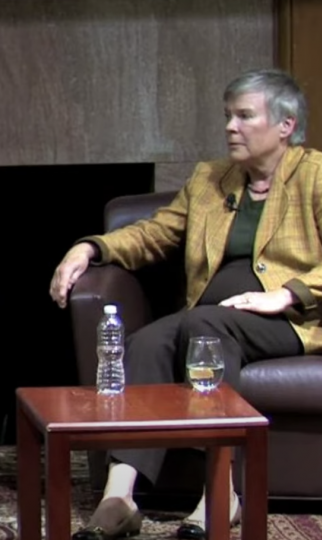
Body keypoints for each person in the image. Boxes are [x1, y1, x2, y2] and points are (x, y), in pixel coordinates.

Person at [49, 67, 318, 540]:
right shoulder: (211, 179)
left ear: (285, 125)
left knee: (207, 329)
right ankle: (120, 496)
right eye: (227, 116)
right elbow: (155, 234)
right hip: (207, 318)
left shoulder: (315, 176)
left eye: (243, 116)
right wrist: (91, 247)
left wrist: (286, 294)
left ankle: (221, 492)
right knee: (146, 342)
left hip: (290, 320)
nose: (230, 127)